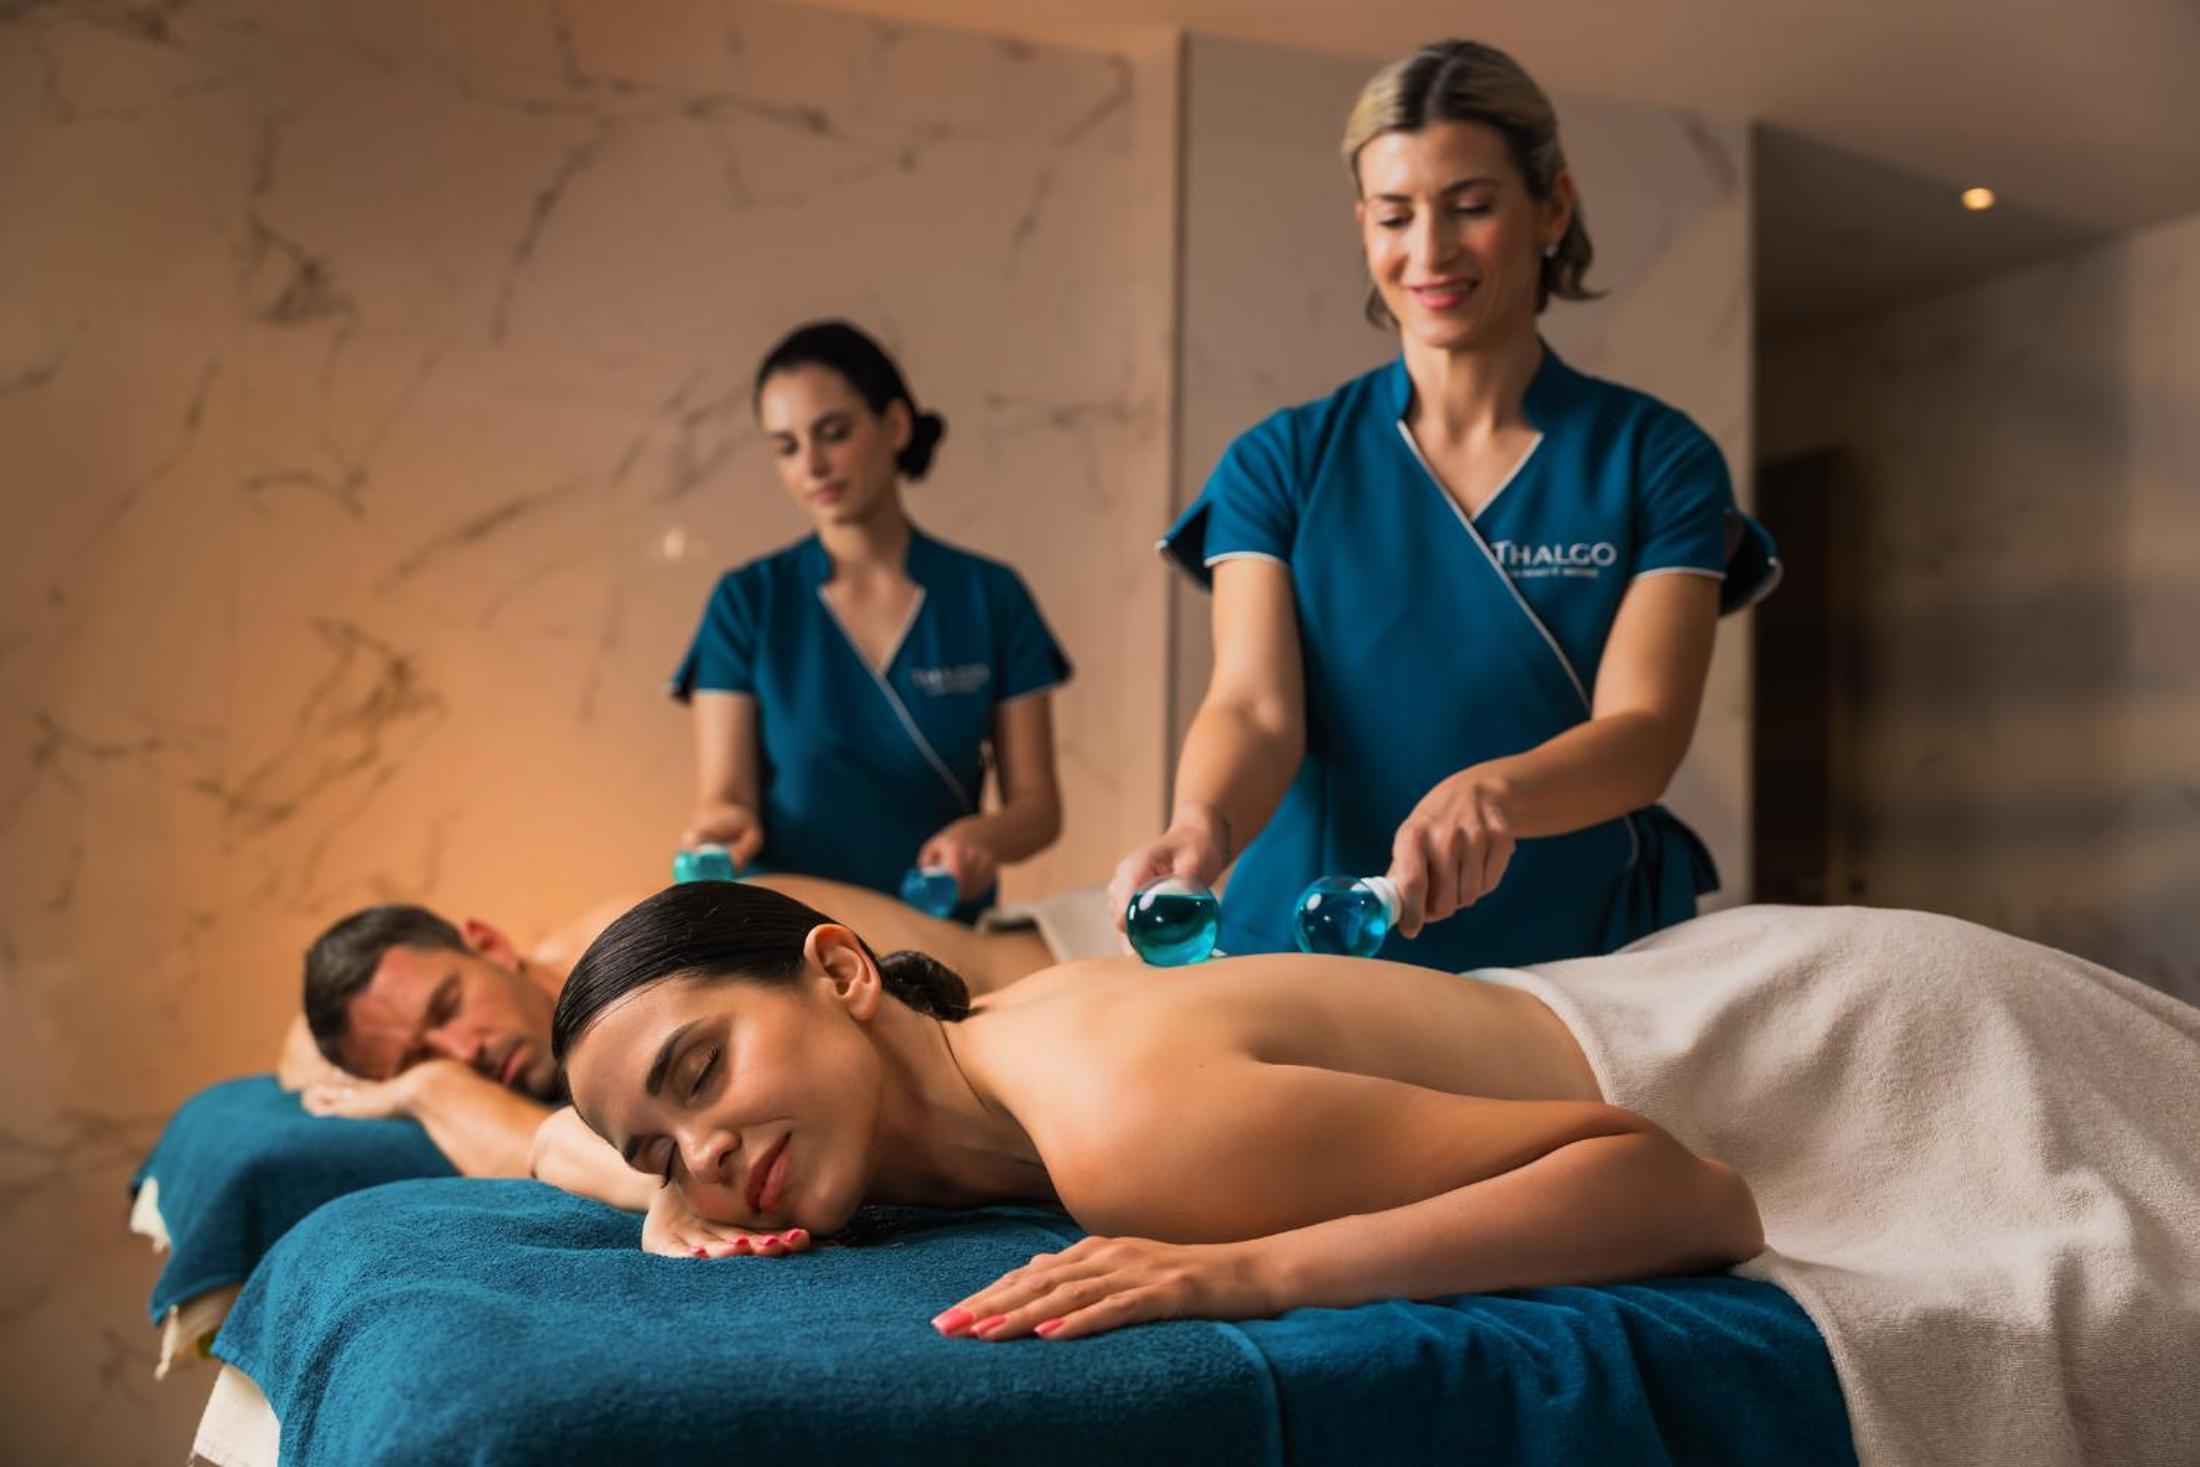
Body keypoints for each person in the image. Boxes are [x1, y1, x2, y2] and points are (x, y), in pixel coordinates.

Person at [551, 882, 2200, 1466]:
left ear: (841, 969)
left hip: (1854, 1058)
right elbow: (584, 1144)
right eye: (662, 1143)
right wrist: (671, 1190)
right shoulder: (976, 1033)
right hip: (1691, 989)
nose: (708, 1153)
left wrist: (1252, 1270)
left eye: (702, 1075)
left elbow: (1682, 1193)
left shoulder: (1127, 1129)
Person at [1112, 40, 1778, 971]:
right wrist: (1201, 826)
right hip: (1319, 948)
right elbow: (1255, 710)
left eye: (1471, 206)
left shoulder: (1656, 458)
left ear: (1552, 207)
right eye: (1394, 215)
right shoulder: (1281, 460)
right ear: (1364, 225)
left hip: (1576, 956)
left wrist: (1496, 793)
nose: (1428, 252)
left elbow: (1645, 732)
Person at [280, 875, 1055, 1203]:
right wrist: (423, 1085)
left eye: (449, 1003)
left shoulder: (643, 954)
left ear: (488, 941)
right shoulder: (610, 1080)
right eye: (420, 1053)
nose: (463, 1052)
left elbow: (536, 1141)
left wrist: (424, 1086)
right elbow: (295, 1056)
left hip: (1075, 952)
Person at [675, 321, 1072, 918]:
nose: (812, 465)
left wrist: (983, 839)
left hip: (935, 929)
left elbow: (1037, 808)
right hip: (783, 932)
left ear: (895, 426)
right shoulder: (747, 601)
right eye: (786, 447)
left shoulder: (990, 596)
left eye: (833, 433)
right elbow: (725, 793)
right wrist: (721, 826)